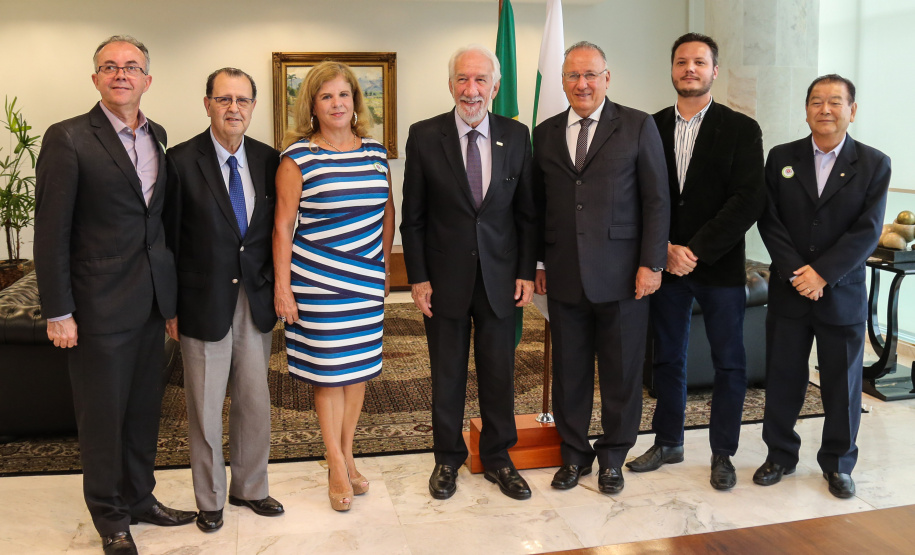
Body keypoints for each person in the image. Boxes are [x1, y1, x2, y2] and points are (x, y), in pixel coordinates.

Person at [34, 35, 196, 555]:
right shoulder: (68, 138)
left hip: (149, 302)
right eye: (110, 66)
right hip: (97, 306)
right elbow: (51, 232)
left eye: (131, 67)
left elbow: (156, 223)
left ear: (147, 79)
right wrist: (59, 310)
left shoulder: (158, 135)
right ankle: (111, 517)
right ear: (95, 78)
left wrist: (170, 302)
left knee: (143, 411)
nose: (121, 74)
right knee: (102, 417)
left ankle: (141, 498)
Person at [625, 33, 766, 491]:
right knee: (667, 358)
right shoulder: (649, 126)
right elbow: (637, 197)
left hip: (719, 268)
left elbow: (747, 200)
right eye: (682, 61)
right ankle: (668, 442)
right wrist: (664, 248)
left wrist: (696, 250)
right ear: (671, 69)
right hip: (665, 266)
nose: (690, 69)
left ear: (714, 71)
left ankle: (723, 453)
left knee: (730, 363)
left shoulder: (741, 129)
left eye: (700, 62)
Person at [400, 44, 537, 501]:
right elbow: (413, 217)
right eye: (463, 79)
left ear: (495, 86)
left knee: (499, 373)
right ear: (451, 85)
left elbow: (527, 214)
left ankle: (498, 458)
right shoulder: (424, 135)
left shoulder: (516, 135)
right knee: (447, 373)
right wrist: (418, 277)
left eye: (480, 80)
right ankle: (447, 458)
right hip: (443, 280)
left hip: (501, 278)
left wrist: (525, 270)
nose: (471, 89)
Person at [533, 41, 669, 495]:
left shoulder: (637, 125)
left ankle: (613, 457)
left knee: (621, 375)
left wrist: (651, 263)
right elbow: (537, 205)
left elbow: (656, 200)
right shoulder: (545, 132)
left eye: (591, 74)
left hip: (624, 276)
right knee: (569, 373)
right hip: (564, 274)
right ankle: (574, 456)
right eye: (573, 75)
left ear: (607, 78)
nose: (582, 83)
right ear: (562, 82)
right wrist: (538, 261)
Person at [754, 74, 890, 499]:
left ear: (852, 110)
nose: (825, 109)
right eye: (816, 101)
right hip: (790, 290)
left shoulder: (874, 163)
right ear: (806, 109)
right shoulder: (781, 157)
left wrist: (823, 274)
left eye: (835, 101)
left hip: (841, 292)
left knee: (841, 385)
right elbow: (769, 220)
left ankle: (838, 463)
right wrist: (800, 272)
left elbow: (867, 231)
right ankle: (780, 455)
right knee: (783, 378)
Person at [163, 68, 284, 532]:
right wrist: (171, 307)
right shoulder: (179, 160)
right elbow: (168, 239)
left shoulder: (268, 159)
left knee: (254, 399)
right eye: (224, 99)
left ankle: (251, 487)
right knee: (205, 406)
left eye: (243, 100)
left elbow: (273, 231)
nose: (234, 108)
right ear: (208, 104)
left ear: (253, 106)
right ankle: (210, 497)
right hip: (201, 301)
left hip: (254, 297)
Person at [273, 61, 395, 512]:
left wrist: (383, 267)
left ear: (355, 101)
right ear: (312, 105)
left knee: (357, 371)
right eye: (326, 96)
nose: (337, 104)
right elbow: (282, 227)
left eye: (344, 95)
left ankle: (347, 454)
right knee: (329, 373)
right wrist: (283, 287)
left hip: (365, 278)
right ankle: (336, 465)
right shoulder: (298, 157)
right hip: (318, 282)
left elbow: (387, 211)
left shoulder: (376, 152)